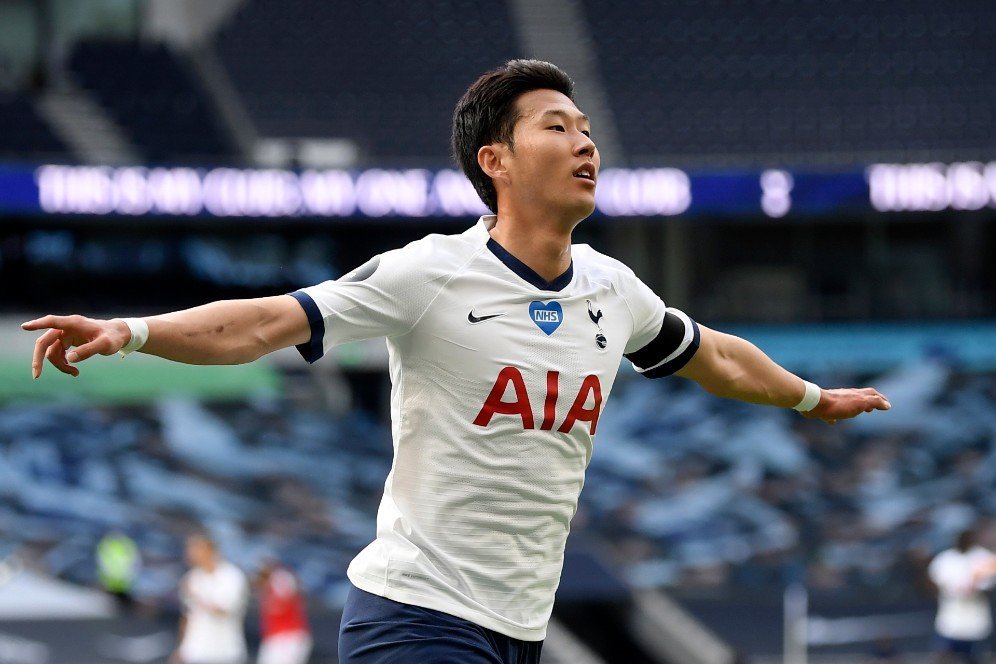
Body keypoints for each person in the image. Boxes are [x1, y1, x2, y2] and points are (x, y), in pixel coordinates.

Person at [21, 60, 890, 664]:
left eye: (588, 128)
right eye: (558, 127)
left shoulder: (613, 289)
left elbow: (715, 358)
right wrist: (132, 331)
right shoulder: (428, 273)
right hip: (415, 615)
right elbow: (263, 323)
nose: (588, 143)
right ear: (496, 162)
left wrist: (812, 399)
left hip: (518, 625)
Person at [172, 534, 250, 664]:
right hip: (195, 652)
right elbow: (187, 616)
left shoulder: (232, 577)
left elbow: (222, 611)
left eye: (196, 548)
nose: (190, 553)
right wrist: (181, 649)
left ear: (210, 550)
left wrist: (196, 596)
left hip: (223, 654)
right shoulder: (192, 577)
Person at [927, 529, 996, 663]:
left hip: (975, 621)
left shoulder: (982, 557)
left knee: (974, 658)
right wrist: (947, 591)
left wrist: (974, 588)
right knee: (943, 656)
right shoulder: (945, 558)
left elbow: (990, 584)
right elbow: (931, 582)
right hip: (950, 620)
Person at [256, 559, 312, 664]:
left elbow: (285, 597)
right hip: (274, 637)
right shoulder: (266, 587)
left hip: (290, 636)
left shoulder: (281, 578)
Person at [96, 529, 140, 610]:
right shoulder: (107, 544)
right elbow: (102, 559)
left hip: (121, 577)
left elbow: (134, 560)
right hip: (113, 577)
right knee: (111, 597)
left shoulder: (127, 544)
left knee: (118, 597)